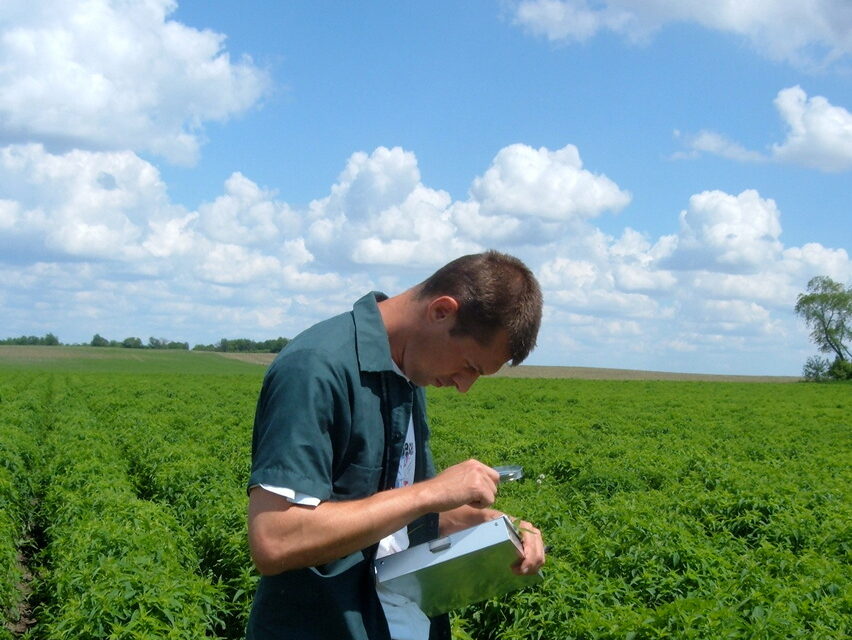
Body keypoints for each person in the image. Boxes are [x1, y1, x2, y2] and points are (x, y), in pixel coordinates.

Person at [246, 250, 546, 640]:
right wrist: (432, 493)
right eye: (469, 365)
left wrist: (481, 526)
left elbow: (390, 520)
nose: (464, 385)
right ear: (441, 311)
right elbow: (274, 538)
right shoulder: (315, 368)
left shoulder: (406, 373)